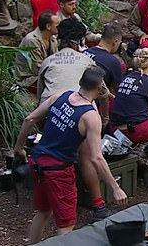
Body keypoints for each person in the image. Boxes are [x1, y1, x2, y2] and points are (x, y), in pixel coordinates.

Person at [13, 67, 127, 243]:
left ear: (81, 82)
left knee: (43, 211)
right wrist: (115, 188)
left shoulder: (61, 95)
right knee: (66, 224)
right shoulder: (90, 116)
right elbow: (96, 157)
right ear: (100, 89)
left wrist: (19, 147)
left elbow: (30, 119)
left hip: (37, 162)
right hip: (58, 171)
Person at [37, 18, 113, 221]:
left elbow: (40, 99)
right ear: (78, 41)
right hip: (81, 116)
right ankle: (98, 205)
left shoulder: (47, 62)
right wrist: (104, 119)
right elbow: (103, 93)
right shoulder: (87, 63)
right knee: (87, 156)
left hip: (53, 119)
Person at [84, 22, 124, 120]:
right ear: (115, 42)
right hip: (95, 102)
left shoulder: (85, 52)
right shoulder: (113, 62)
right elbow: (118, 91)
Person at [14, 11, 60, 92]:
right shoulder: (32, 41)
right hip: (30, 78)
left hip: (47, 72)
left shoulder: (52, 38)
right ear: (48, 26)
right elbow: (38, 69)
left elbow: (57, 59)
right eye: (57, 25)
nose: (60, 27)